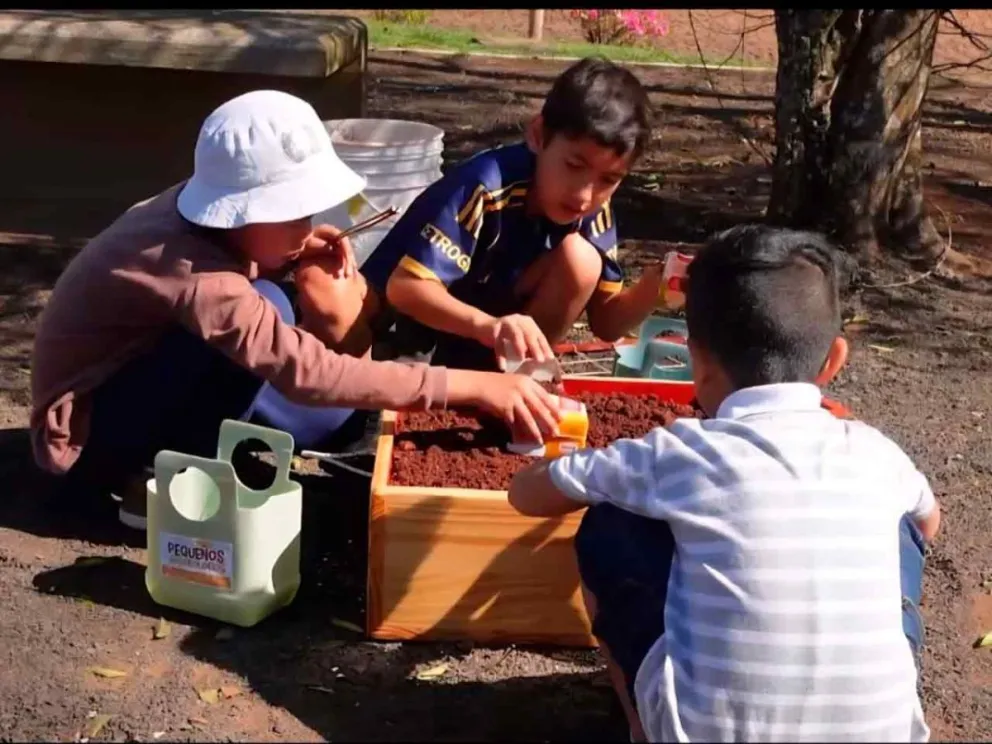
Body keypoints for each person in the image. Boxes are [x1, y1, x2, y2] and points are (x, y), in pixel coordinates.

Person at [31, 90, 560, 531]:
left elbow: (235, 270)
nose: (306, 226)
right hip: (82, 436)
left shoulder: (187, 217)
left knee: (276, 305)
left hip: (120, 383)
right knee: (267, 319)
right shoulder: (200, 278)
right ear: (242, 211)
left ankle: (187, 450)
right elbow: (308, 373)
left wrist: (285, 250)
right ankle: (152, 483)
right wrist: (471, 385)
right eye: (290, 214)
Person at [508, 224, 940, 742]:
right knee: (898, 530)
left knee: (609, 519)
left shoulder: (679, 454)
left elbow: (526, 494)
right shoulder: (876, 451)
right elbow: (927, 524)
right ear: (833, 361)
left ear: (696, 362)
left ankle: (643, 727)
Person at [361, 56, 663, 372]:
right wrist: (488, 327)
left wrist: (659, 282)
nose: (585, 194)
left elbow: (608, 324)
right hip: (406, 332)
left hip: (483, 339)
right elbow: (406, 288)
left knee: (583, 260)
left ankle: (516, 377)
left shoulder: (593, 210)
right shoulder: (484, 184)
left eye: (609, 179)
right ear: (537, 135)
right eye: (574, 166)